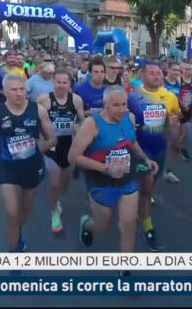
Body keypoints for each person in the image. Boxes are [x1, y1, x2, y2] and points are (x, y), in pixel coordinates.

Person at [68, 86, 158, 264]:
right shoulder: (92, 124)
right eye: (116, 105)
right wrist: (104, 168)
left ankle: (124, 268)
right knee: (103, 225)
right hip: (100, 180)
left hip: (127, 178)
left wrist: (145, 159)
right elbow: (73, 156)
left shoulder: (129, 118)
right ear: (105, 105)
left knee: (129, 224)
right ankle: (87, 224)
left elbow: (131, 142)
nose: (122, 109)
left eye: (124, 104)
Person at [0, 73, 57, 257]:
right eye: (14, 90)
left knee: (24, 209)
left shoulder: (39, 110)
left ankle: (16, 231)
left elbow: (52, 137)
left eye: (22, 89)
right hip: (7, 168)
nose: (19, 93)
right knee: (12, 213)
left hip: (32, 166)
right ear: (4, 92)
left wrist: (46, 144)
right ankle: (14, 253)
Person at [127, 63, 181, 251]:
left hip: (159, 149)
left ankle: (136, 210)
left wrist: (174, 127)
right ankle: (148, 228)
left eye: (159, 73)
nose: (157, 76)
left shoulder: (170, 97)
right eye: (152, 73)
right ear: (142, 75)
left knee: (148, 188)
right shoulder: (132, 97)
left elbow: (173, 130)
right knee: (146, 190)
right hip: (138, 151)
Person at [37, 68, 85, 233]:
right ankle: (54, 212)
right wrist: (41, 141)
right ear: (53, 82)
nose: (61, 86)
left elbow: (81, 120)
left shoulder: (77, 100)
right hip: (51, 143)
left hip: (68, 143)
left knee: (65, 183)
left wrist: (78, 129)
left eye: (65, 82)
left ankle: (57, 201)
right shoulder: (44, 100)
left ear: (69, 83)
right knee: (54, 182)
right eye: (58, 82)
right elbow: (36, 122)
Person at [178, 61, 192, 162]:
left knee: (186, 131)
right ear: (182, 70)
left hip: (189, 109)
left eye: (191, 69)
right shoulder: (178, 80)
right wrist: (181, 104)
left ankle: (182, 149)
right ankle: (178, 148)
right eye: (187, 69)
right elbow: (174, 95)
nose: (190, 71)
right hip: (179, 110)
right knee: (179, 131)